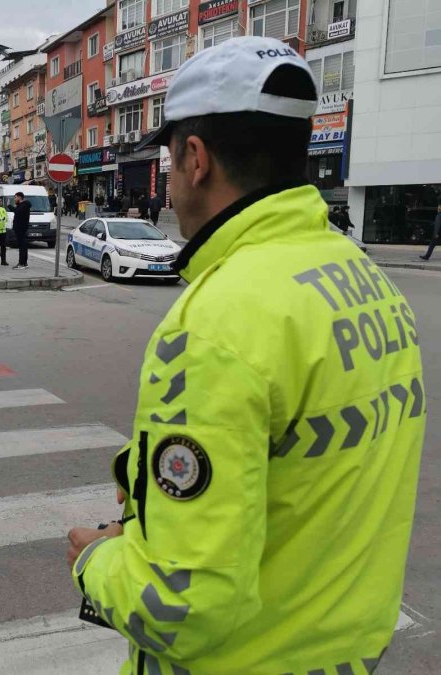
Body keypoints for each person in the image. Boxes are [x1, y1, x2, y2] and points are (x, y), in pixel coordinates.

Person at [66, 36, 424, 675]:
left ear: (196, 160)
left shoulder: (218, 322)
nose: (169, 188)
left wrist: (97, 563)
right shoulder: (369, 280)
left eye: (170, 166)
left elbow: (184, 609)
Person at [11, 191, 31, 269]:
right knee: (22, 246)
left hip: (21, 229)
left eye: (15, 197)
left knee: (22, 247)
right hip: (20, 229)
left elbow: (17, 211)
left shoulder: (24, 205)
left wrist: (9, 205)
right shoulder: (22, 205)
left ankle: (21, 264)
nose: (14, 199)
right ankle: (24, 263)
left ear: (19, 197)